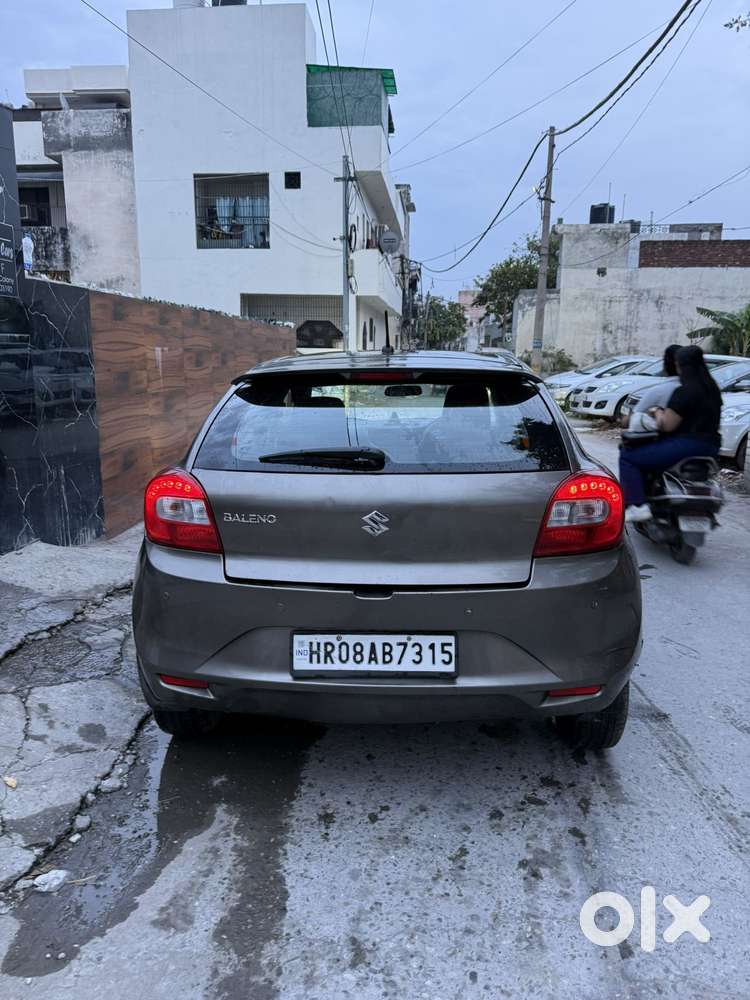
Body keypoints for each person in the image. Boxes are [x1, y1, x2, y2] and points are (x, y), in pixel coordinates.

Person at [619, 345, 722, 523]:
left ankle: (637, 505)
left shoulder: (684, 391)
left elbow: (667, 425)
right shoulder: (713, 390)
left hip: (685, 446)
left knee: (628, 456)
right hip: (711, 448)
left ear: (682, 366)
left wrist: (657, 411)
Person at [624, 344, 681, 426]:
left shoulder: (659, 391)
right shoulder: (698, 388)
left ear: (665, 365)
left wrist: (656, 412)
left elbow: (631, 419)